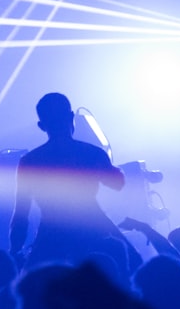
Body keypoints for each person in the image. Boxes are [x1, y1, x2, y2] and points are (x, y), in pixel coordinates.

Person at [9, 93, 130, 268]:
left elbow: (21, 213)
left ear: (42, 126)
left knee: (34, 285)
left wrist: (14, 250)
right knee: (133, 265)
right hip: (93, 226)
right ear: (71, 117)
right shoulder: (91, 152)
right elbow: (118, 184)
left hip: (51, 235)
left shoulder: (30, 161)